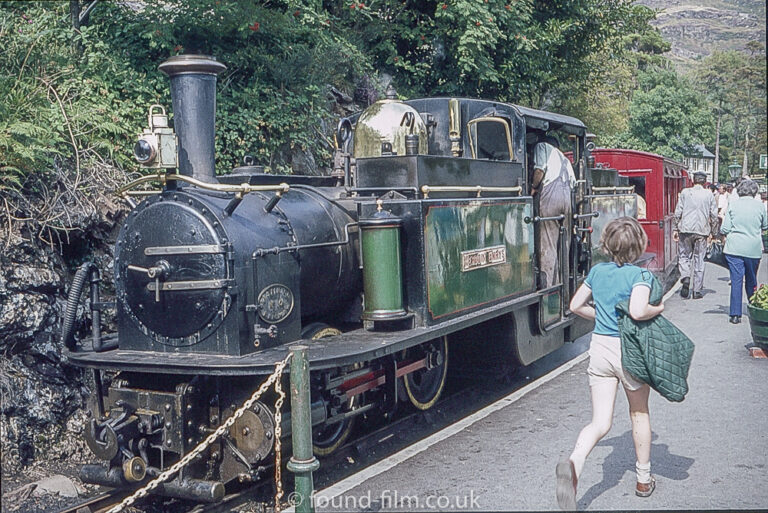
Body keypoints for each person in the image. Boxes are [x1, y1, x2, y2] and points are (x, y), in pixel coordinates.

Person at [557, 217, 664, 510]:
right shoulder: (641, 276)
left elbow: (576, 305)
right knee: (639, 412)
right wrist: (659, 307)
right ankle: (644, 479)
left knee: (600, 422)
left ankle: (574, 464)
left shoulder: (597, 272)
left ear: (607, 244)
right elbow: (638, 310)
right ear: (638, 246)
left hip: (600, 350)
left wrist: (603, 316)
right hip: (628, 351)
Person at [530, 135, 576, 288]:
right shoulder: (564, 159)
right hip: (567, 198)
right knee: (564, 244)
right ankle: (565, 291)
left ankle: (550, 290)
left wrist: (533, 187)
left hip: (551, 196)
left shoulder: (542, 146)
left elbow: (539, 169)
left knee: (548, 243)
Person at [720, 179, 768, 324]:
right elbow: (765, 225)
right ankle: (754, 307)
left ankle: (735, 314)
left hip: (734, 248)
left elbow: (725, 229)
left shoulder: (733, 205)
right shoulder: (760, 206)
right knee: (752, 279)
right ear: (754, 191)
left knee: (736, 280)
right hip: (753, 248)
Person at [673, 172, 718, 299]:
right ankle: (697, 290)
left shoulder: (685, 193)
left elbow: (678, 212)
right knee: (699, 259)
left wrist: (675, 228)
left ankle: (686, 276)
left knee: (684, 256)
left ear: (693, 181)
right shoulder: (709, 194)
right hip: (702, 231)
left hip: (685, 229)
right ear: (705, 182)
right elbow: (714, 215)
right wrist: (714, 233)